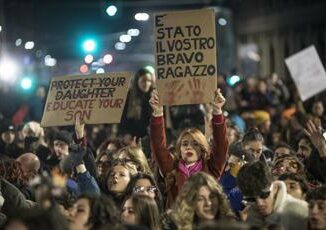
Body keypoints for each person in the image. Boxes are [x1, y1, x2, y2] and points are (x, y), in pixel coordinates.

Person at [149, 88, 228, 207]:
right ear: (179, 149)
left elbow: (221, 145)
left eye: (195, 144)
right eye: (184, 144)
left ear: (202, 149)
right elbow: (158, 147)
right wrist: (158, 113)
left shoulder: (211, 169)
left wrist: (217, 111)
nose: (189, 147)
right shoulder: (171, 169)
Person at [237, 161, 308, 229]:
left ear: (275, 188)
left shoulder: (301, 212)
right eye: (252, 199)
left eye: (264, 195)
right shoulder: (252, 214)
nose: (260, 203)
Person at [167, 172, 233, 229]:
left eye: (212, 197)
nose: (208, 203)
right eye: (200, 199)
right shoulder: (174, 226)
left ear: (219, 198)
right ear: (190, 202)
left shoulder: (232, 225)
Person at [119, 68, 154, 138]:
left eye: (149, 81)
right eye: (143, 80)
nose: (147, 83)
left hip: (150, 136)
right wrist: (126, 133)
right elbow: (122, 118)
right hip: (132, 137)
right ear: (137, 81)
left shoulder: (153, 96)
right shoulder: (129, 96)